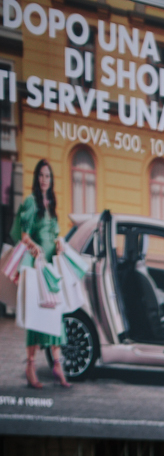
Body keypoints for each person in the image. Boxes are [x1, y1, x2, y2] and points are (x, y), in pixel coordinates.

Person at [15, 161, 68, 390]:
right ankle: (30, 367)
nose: (44, 179)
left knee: (56, 313)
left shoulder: (52, 204)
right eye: (41, 175)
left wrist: (59, 243)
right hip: (37, 265)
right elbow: (23, 234)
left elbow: (55, 233)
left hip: (51, 266)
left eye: (48, 176)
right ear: (36, 178)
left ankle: (57, 365)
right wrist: (34, 245)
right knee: (36, 317)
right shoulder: (30, 202)